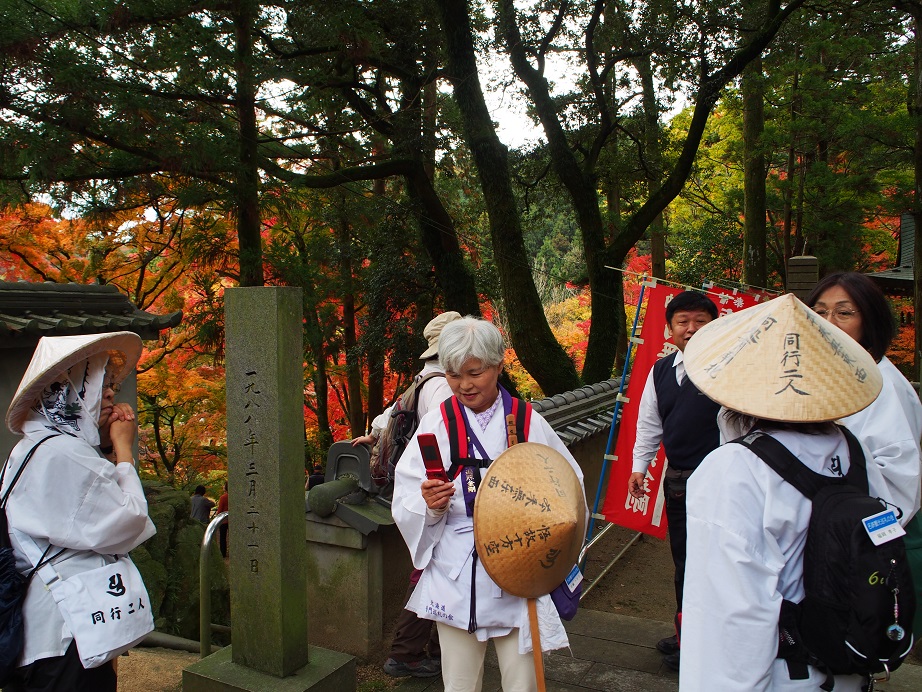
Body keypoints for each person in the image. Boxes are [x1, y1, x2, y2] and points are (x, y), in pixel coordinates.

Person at [678, 293, 906, 690]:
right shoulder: (852, 450)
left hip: (783, 675)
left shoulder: (735, 468)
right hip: (847, 667)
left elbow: (730, 615)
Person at [392, 316, 585, 692]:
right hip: (456, 570)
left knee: (522, 682)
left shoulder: (526, 421)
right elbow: (407, 493)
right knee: (459, 683)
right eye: (453, 375)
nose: (464, 385)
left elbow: (568, 488)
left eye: (475, 373)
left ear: (498, 365)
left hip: (519, 566)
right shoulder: (437, 423)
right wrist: (431, 505)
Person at [1, 331, 156, 691]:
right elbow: (128, 522)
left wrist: (105, 447)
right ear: (67, 393)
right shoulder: (64, 453)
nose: (110, 394)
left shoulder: (36, 447)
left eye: (111, 385)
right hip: (65, 631)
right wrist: (123, 450)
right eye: (100, 383)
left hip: (45, 625)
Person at [353, 311, 461, 679]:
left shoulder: (423, 378)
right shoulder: (444, 386)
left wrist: (373, 435)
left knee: (436, 567)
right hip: (436, 489)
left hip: (419, 486)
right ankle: (405, 653)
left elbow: (392, 412)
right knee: (431, 569)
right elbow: (448, 442)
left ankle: (435, 649)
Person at [627, 289, 721, 670]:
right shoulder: (661, 371)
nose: (691, 328)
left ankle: (709, 644)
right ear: (670, 329)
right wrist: (639, 466)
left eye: (701, 321)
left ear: (715, 325)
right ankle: (687, 633)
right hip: (679, 482)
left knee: (717, 563)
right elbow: (649, 423)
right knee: (684, 561)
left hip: (721, 483)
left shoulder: (729, 369)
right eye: (683, 321)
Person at [806, 272, 922, 520]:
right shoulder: (830, 374)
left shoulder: (884, 384)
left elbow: (899, 479)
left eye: (843, 313)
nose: (828, 322)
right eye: (820, 312)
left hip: (864, 529)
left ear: (869, 320)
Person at [216, 481, 229, 559]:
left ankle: (223, 552)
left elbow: (220, 510)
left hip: (224, 520)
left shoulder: (223, 497)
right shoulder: (236, 497)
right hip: (233, 521)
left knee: (223, 537)